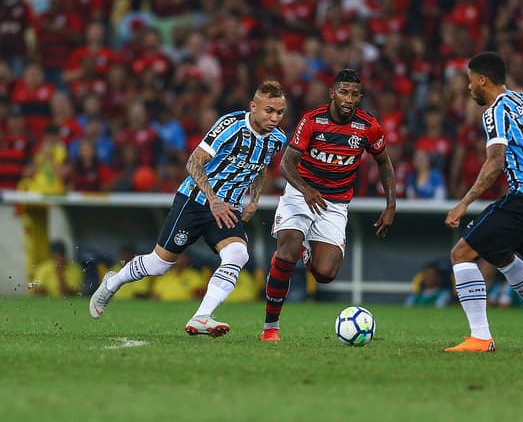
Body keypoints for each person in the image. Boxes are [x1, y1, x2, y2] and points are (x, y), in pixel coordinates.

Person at [89, 80, 288, 338]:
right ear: (253, 106)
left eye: (280, 112)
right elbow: (193, 162)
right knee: (159, 264)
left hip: (227, 210)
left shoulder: (278, 139)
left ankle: (202, 316)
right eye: (268, 111)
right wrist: (213, 199)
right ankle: (113, 282)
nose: (274, 118)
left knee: (238, 254)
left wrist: (254, 200)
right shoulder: (231, 126)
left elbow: (260, 167)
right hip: (194, 201)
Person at [260, 69, 396, 342]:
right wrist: (307, 190)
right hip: (301, 193)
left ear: (360, 97)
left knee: (325, 274)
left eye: (355, 94)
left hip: (334, 203)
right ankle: (270, 327)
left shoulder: (369, 126)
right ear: (332, 93)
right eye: (344, 92)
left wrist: (391, 204)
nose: (349, 98)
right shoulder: (312, 120)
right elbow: (286, 164)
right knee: (287, 251)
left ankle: (306, 251)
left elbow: (384, 162)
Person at [444, 52, 523, 352]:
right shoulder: (520, 99)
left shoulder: (494, 111)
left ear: (482, 80)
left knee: (461, 254)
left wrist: (464, 203)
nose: (468, 88)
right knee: (501, 255)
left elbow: (495, 161)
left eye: (470, 81)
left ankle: (480, 337)